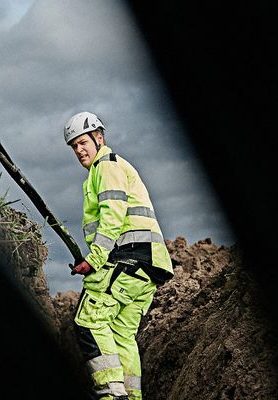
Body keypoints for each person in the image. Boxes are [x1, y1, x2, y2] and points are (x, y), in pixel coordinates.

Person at [64, 111, 173, 400]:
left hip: (131, 257)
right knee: (122, 333)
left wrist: (95, 260)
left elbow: (113, 216)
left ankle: (112, 395)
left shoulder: (106, 167)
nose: (79, 150)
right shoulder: (108, 168)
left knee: (89, 319)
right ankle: (132, 396)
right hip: (149, 265)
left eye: (83, 142)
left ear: (99, 138)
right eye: (74, 146)